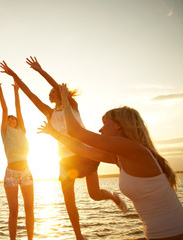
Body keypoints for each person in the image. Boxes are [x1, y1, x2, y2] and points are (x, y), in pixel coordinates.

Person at [0, 58, 126, 240]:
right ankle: (79, 236)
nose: (50, 94)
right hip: (66, 160)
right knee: (69, 201)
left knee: (95, 194)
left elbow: (58, 87)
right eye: (49, 93)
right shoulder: (50, 113)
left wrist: (40, 70)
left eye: (53, 92)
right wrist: (14, 75)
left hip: (86, 154)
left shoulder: (72, 106)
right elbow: (29, 94)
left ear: (61, 93)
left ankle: (114, 198)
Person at [39, 84, 183, 240]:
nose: (101, 130)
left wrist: (66, 102)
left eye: (105, 123)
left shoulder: (134, 149)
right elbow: (80, 148)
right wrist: (54, 133)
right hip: (157, 234)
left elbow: (76, 132)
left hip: (173, 234)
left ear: (119, 126)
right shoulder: (120, 157)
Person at [0, 77, 34, 240]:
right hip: (11, 173)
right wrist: (0, 91)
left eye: (12, 118)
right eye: (8, 118)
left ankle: (30, 238)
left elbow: (18, 109)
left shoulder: (22, 129)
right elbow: (4, 109)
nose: (11, 118)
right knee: (14, 210)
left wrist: (16, 90)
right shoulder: (5, 132)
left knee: (29, 208)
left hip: (26, 171)